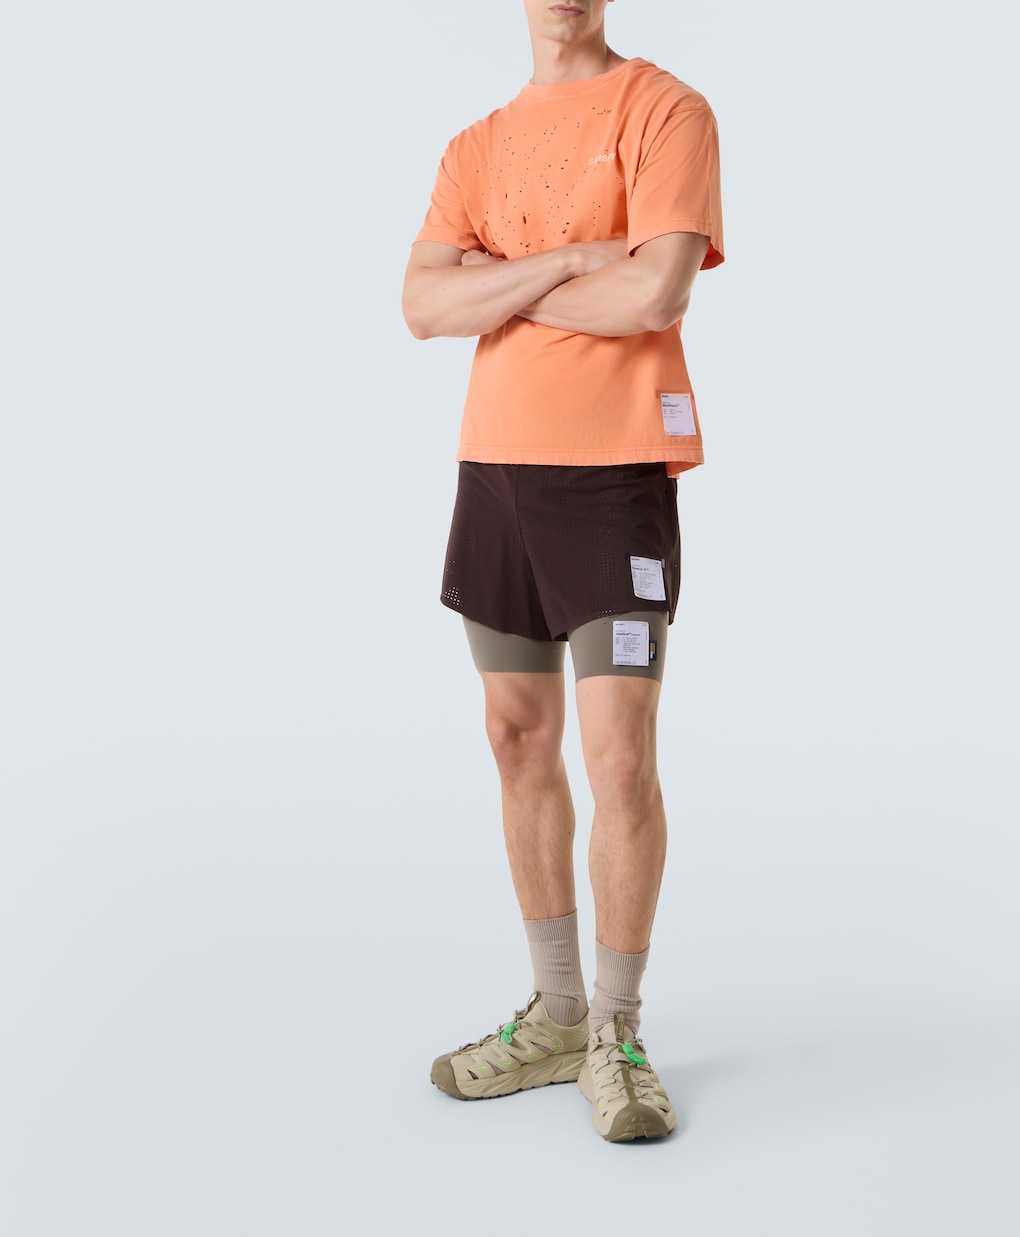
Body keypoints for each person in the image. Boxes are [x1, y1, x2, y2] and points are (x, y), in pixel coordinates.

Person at [401, 0, 723, 1143]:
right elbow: (421, 305)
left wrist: (500, 283)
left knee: (618, 757)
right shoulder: (474, 145)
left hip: (612, 474)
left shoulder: (664, 111)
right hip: (495, 469)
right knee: (514, 738)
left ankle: (616, 1033)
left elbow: (654, 293)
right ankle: (555, 1013)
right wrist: (575, 260)